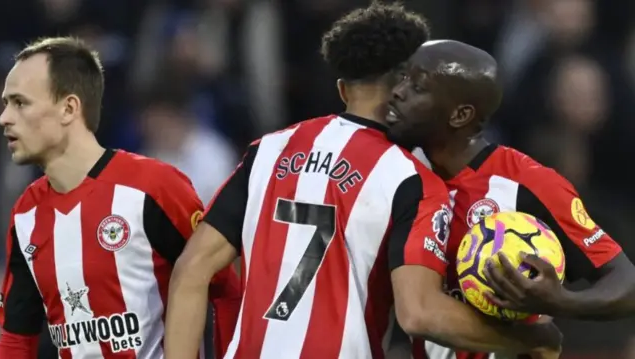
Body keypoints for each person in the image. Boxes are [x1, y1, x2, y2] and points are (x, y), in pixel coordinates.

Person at [164, 4, 561, 359]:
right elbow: (419, 313)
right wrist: (527, 339)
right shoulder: (412, 180)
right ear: (408, 84)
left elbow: (191, 270)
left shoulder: (267, 151)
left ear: (342, 89)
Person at [387, 39, 635, 359]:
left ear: (460, 115)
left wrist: (559, 301)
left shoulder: (527, 183)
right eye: (402, 77)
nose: (397, 91)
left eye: (418, 87)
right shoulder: (390, 168)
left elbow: (626, 283)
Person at [0, 36, 240, 359]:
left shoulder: (154, 187)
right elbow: (17, 339)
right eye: (5, 103)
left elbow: (226, 291)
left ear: (69, 108)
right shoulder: (26, 213)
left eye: (20, 103)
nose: (4, 118)